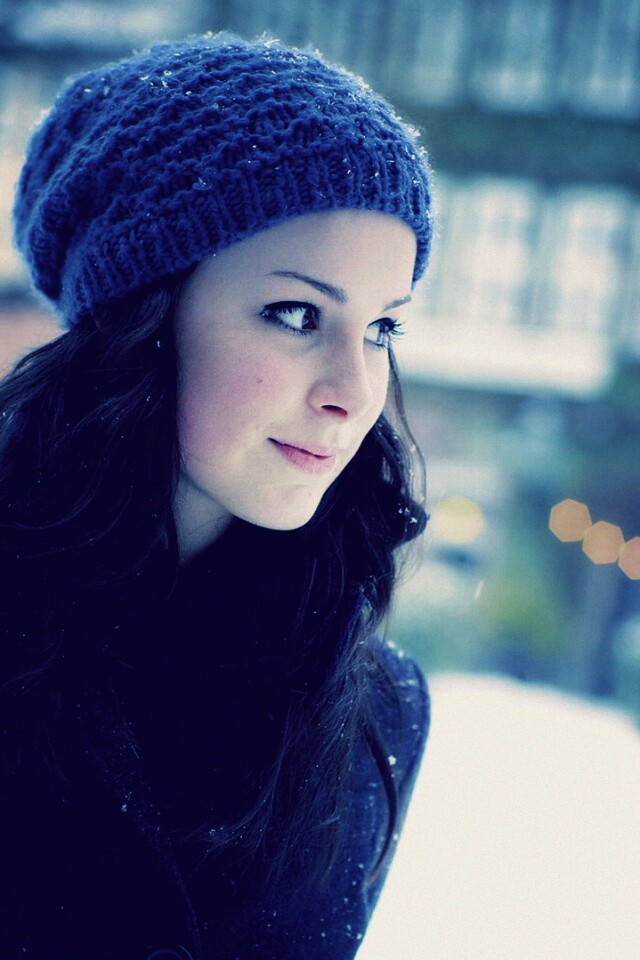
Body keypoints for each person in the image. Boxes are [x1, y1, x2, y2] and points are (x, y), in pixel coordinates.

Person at [1, 32, 432, 960]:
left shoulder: (373, 709)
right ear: (146, 315)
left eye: (382, 329)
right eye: (297, 314)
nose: (353, 392)